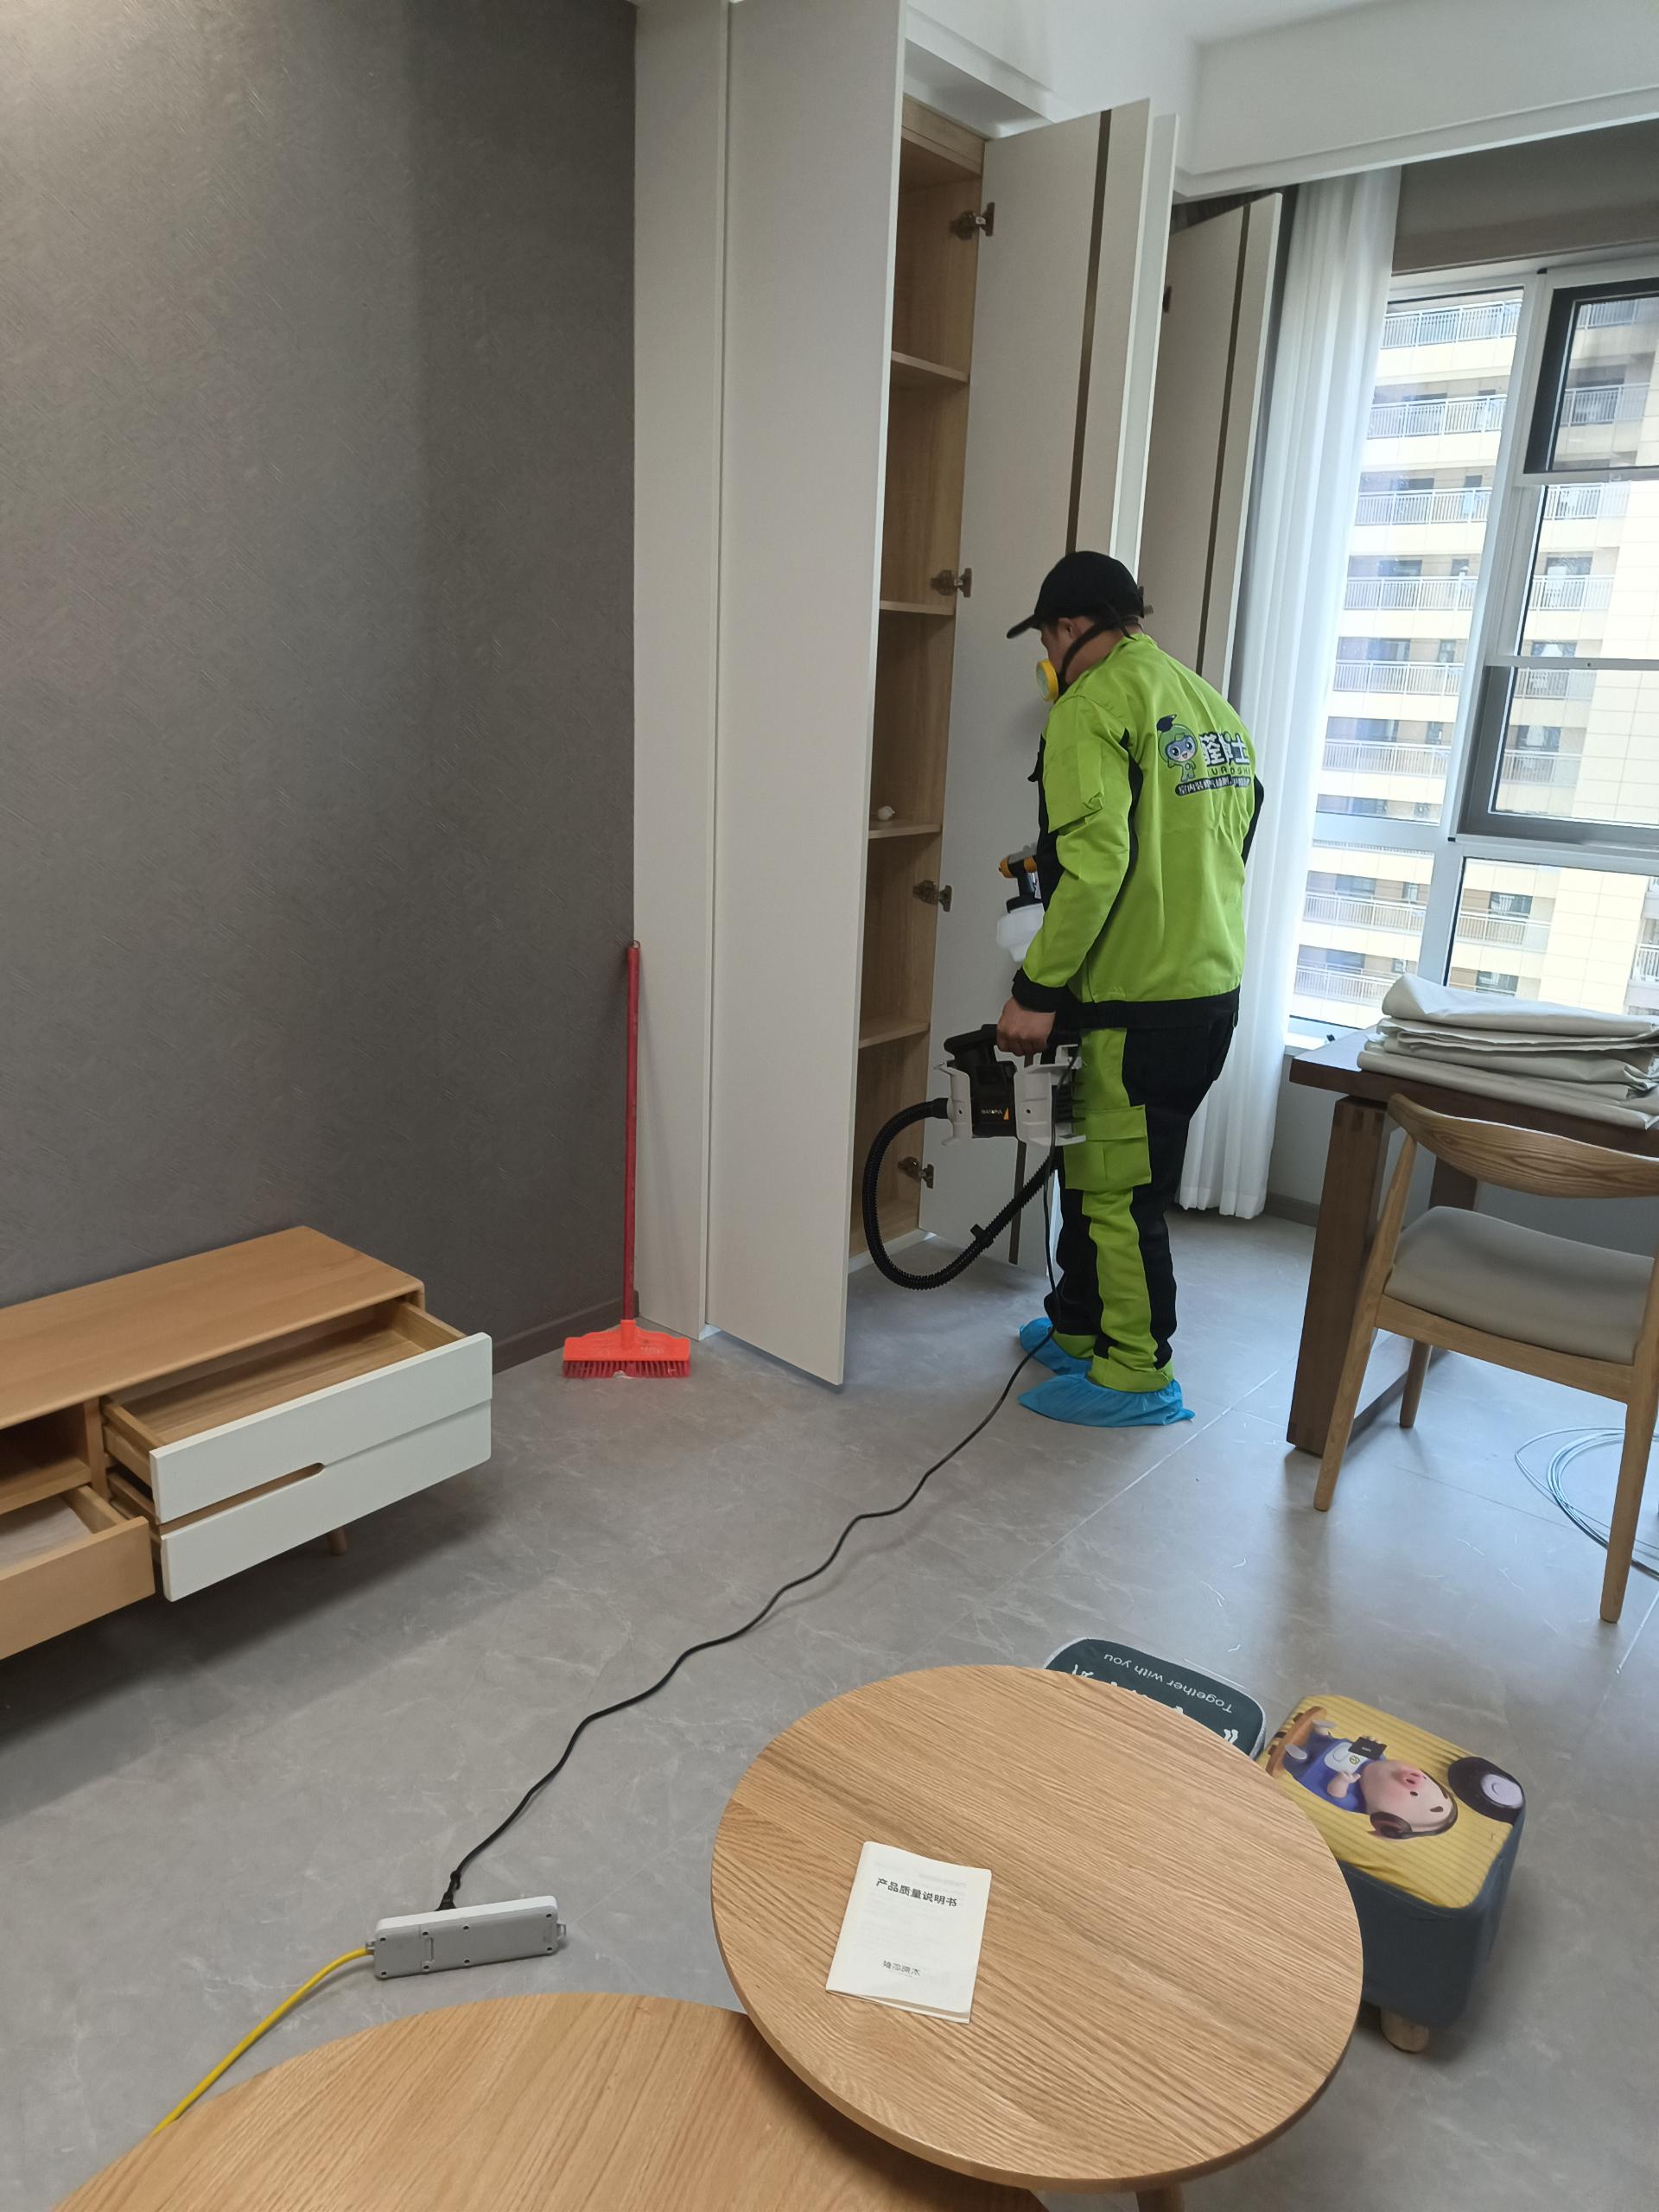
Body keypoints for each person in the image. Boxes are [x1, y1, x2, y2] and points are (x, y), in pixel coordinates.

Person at [997, 550, 1262, 1428]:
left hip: (1133, 1001)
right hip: (1207, 988)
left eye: (1046, 640)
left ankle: (1137, 1372)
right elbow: (1236, 827)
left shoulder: (1090, 706)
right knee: (1096, 1167)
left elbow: (1097, 862)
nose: (1047, 659)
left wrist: (1036, 987)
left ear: (1071, 628)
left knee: (1117, 1190)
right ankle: (1080, 1325)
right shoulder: (1206, 704)